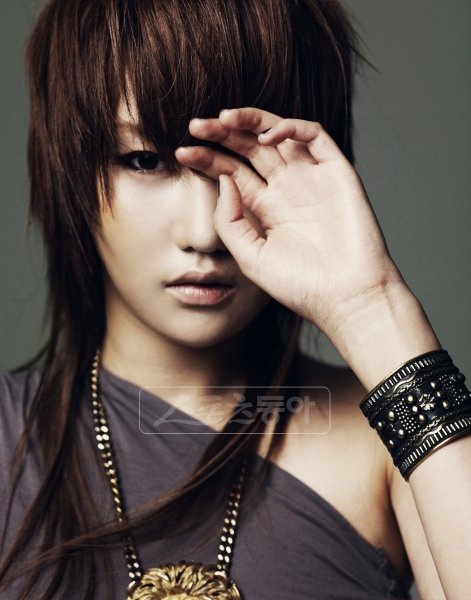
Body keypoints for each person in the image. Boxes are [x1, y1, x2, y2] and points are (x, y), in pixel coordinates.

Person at [1, 0, 470, 599]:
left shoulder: (381, 446)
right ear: (70, 170)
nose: (206, 232)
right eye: (144, 161)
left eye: (246, 159)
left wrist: (373, 309)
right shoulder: (7, 440)